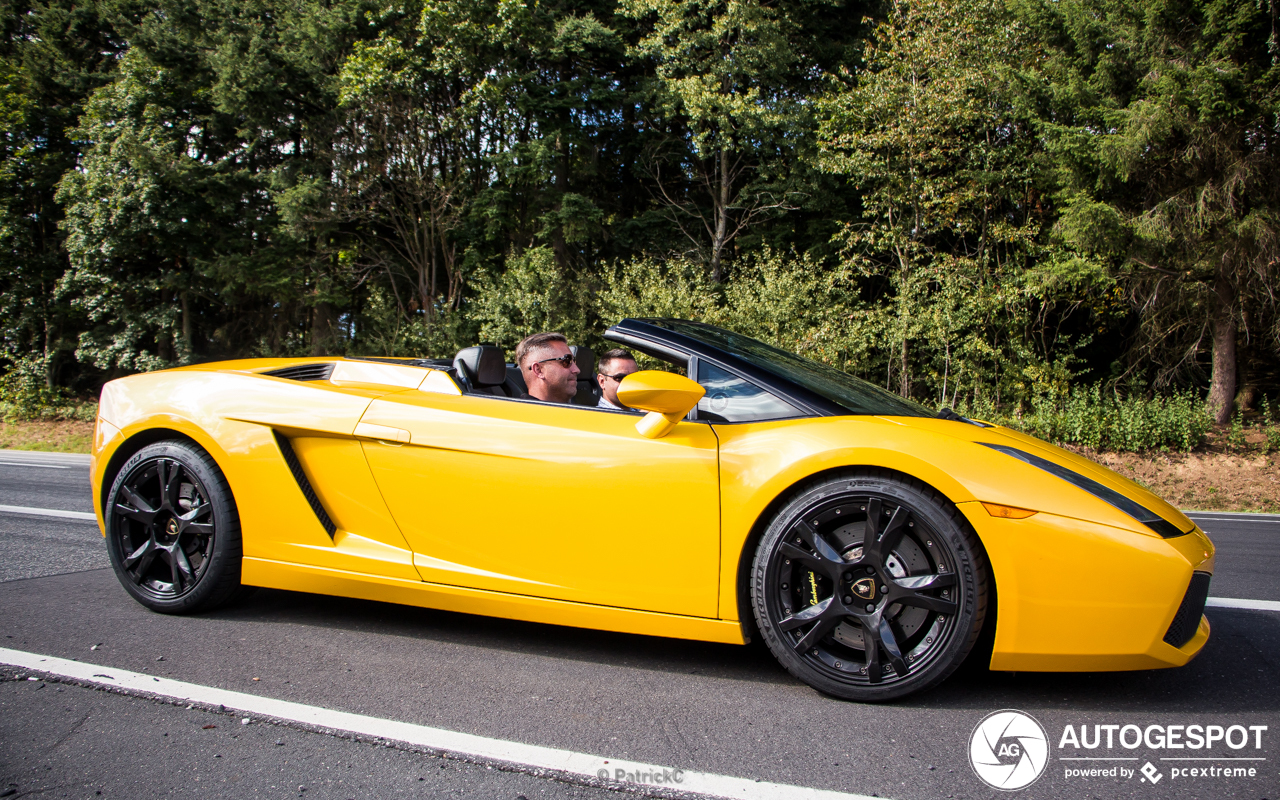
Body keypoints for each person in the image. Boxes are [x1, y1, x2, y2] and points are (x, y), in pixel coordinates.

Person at [515, 332, 580, 404]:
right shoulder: (523, 414)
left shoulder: (575, 411)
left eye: (573, 361)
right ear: (538, 370)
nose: (577, 370)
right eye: (567, 361)